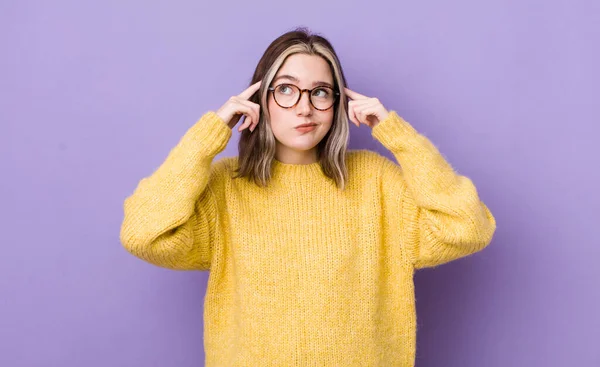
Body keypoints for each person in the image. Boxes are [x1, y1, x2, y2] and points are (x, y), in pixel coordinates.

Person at [120, 27, 496, 367]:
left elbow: (467, 228)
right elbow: (143, 234)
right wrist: (210, 135)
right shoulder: (225, 187)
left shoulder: (376, 180)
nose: (304, 107)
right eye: (286, 89)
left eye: (320, 92)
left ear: (337, 103)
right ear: (259, 99)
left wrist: (398, 136)